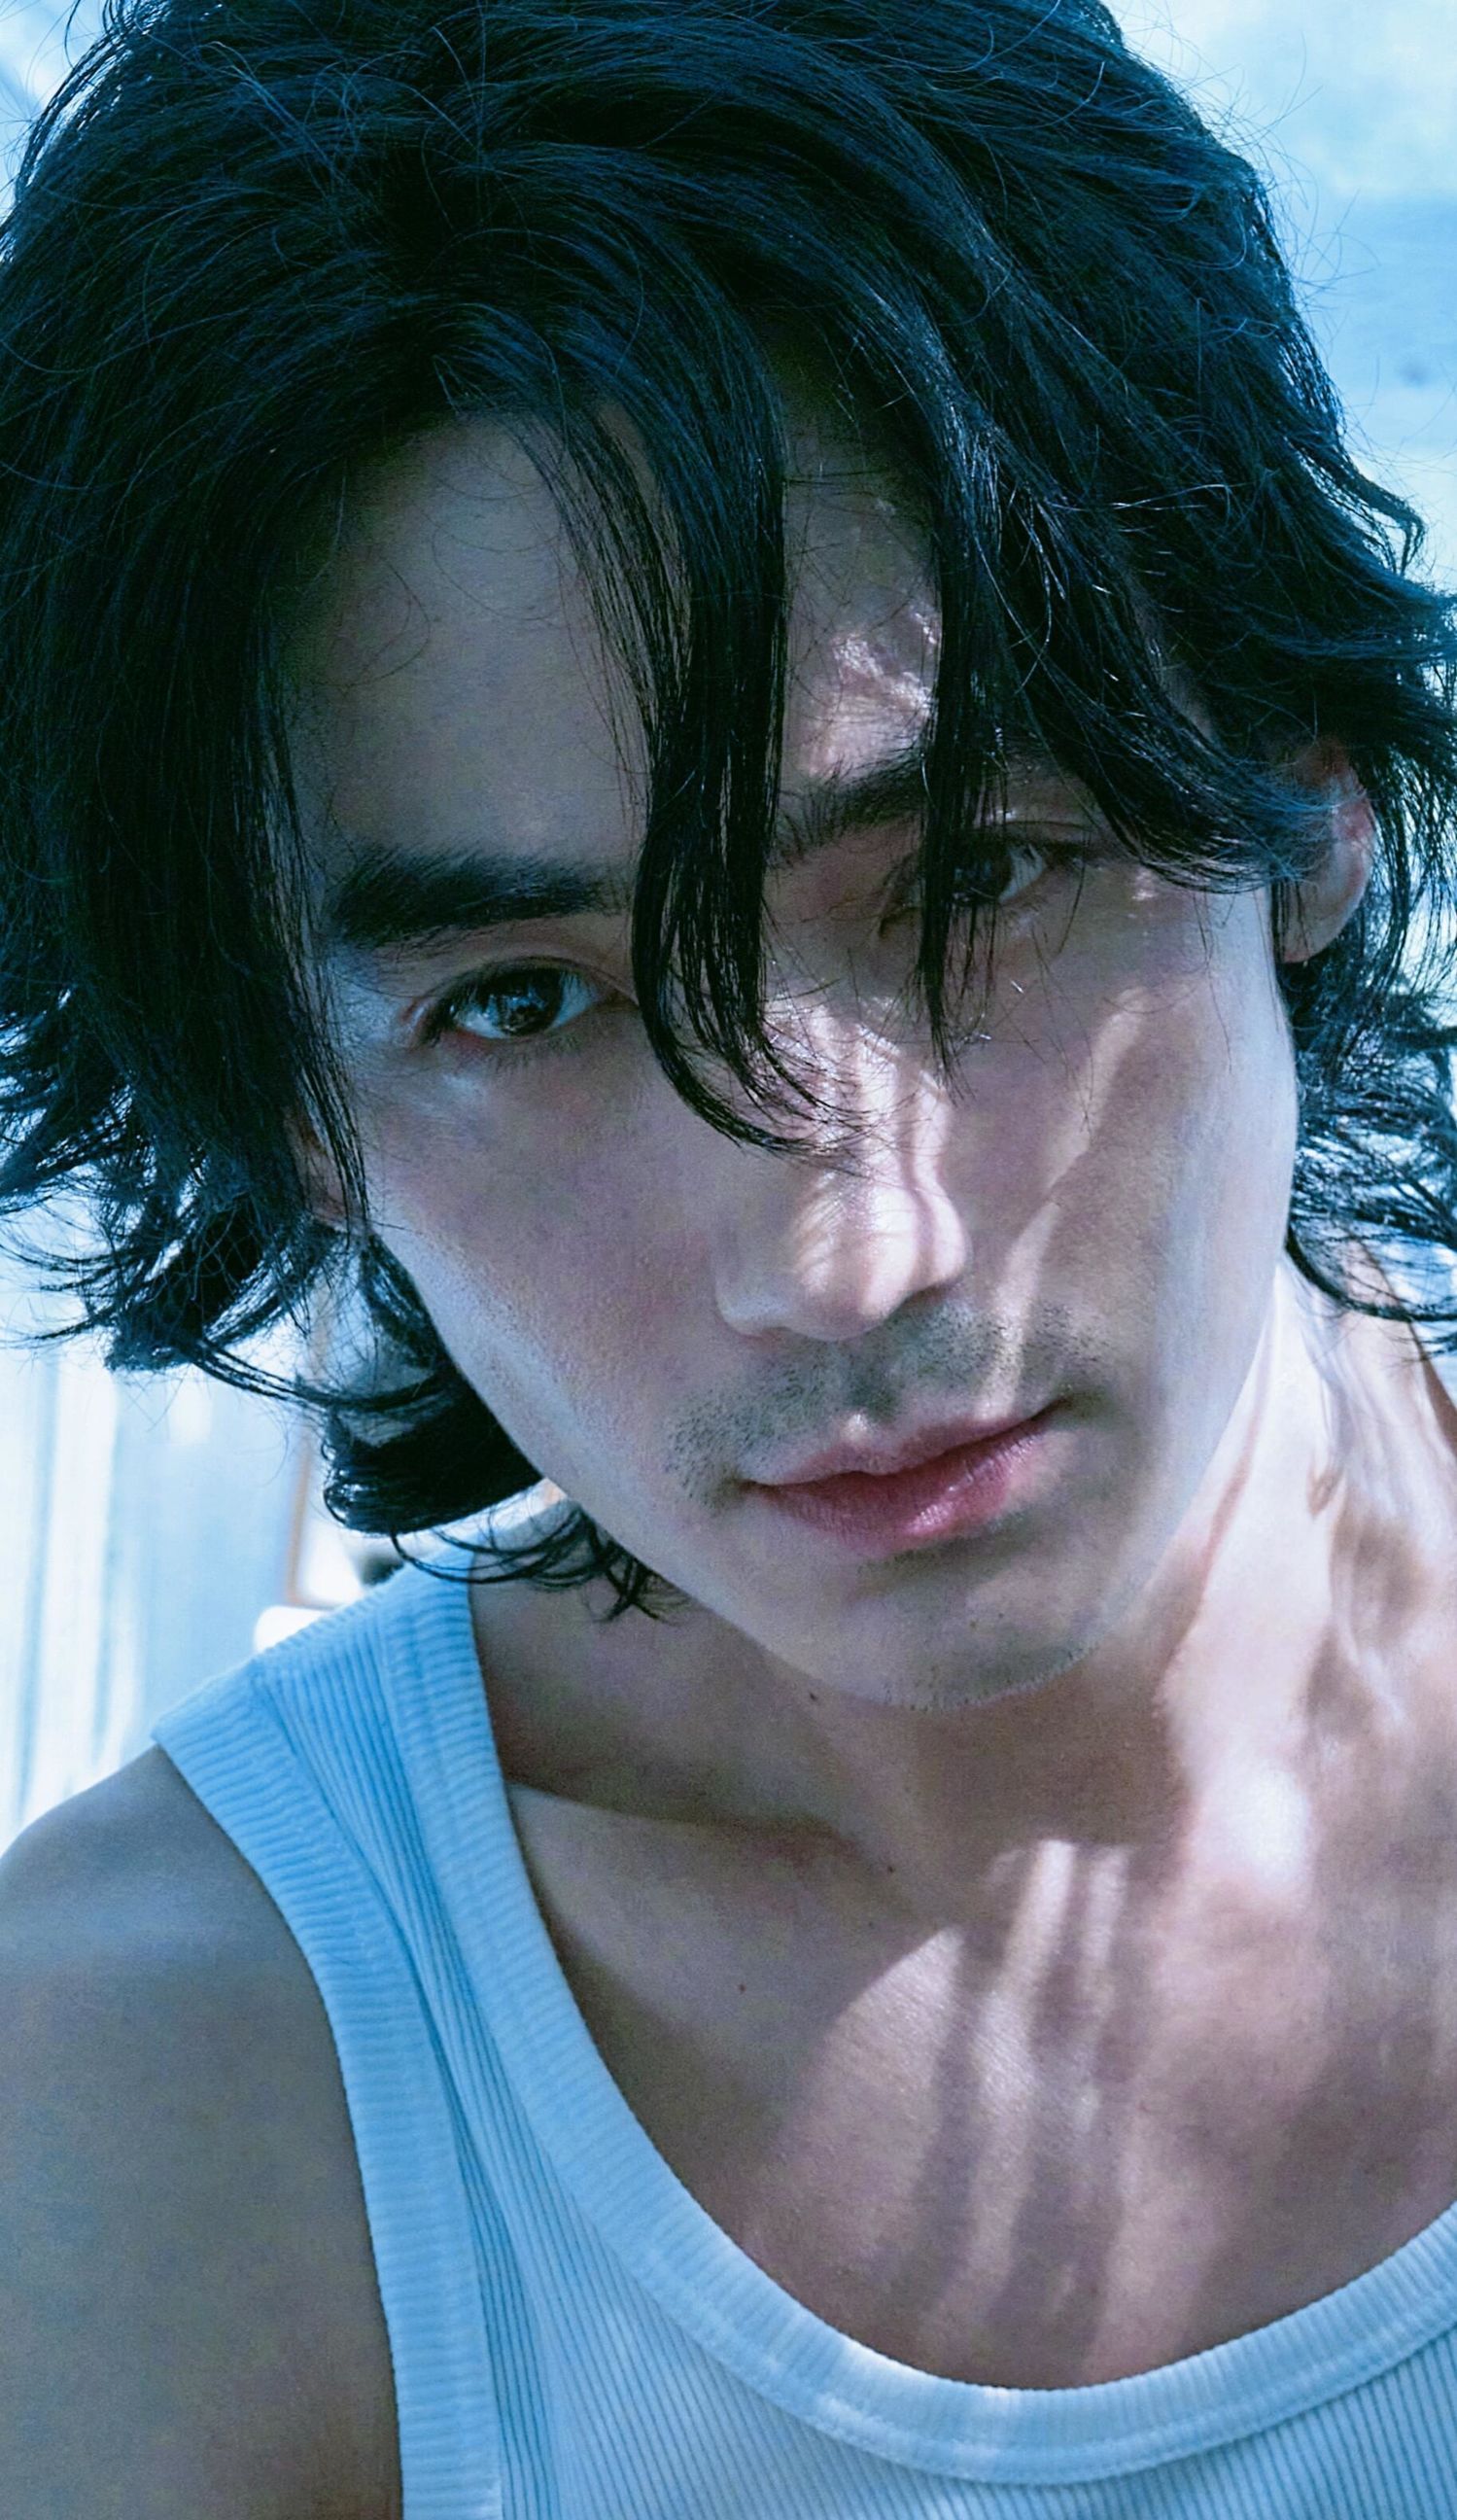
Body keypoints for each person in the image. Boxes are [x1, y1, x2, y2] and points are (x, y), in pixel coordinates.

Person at [3, 0, 1457, 2509]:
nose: (841, 1256)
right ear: (290, 1108)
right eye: (522, 1001)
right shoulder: (159, 2113)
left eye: (974, 881)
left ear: (1300, 793)